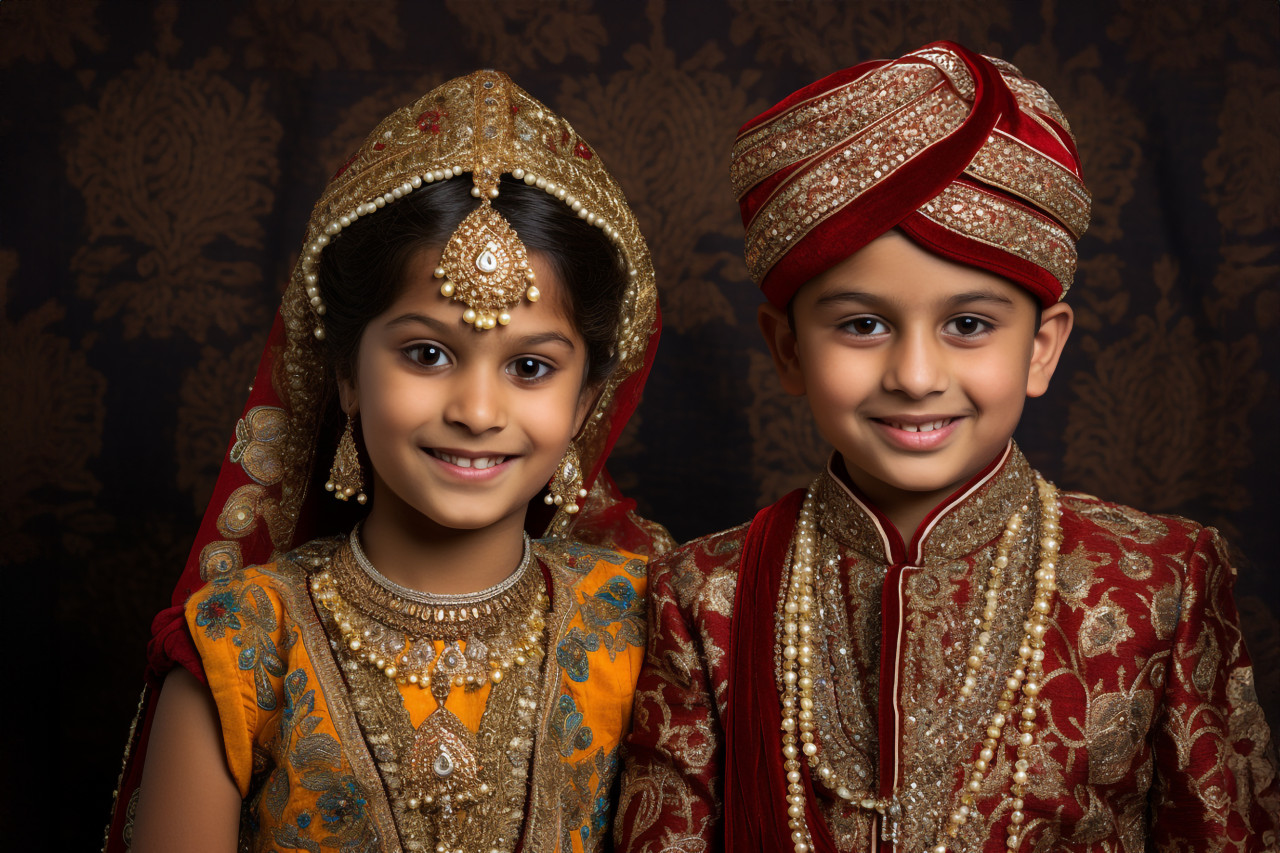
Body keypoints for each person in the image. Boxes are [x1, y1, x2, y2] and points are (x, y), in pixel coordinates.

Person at [617, 41, 1280, 852]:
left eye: (968, 324)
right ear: (787, 349)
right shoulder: (703, 594)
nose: (916, 375)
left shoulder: (1159, 583)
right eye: (863, 324)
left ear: (1041, 348)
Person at [104, 70, 672, 853]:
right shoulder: (241, 646)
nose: (477, 411)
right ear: (346, 373)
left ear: (585, 402)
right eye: (427, 353)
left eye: (530, 367)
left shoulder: (649, 626)